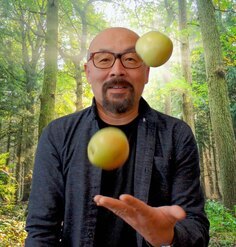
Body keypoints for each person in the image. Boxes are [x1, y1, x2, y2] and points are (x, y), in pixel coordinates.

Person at [25, 27, 209, 247]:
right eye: (103, 59)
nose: (117, 70)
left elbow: (195, 227)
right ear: (87, 72)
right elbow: (41, 232)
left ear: (147, 72)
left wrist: (168, 236)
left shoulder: (177, 135)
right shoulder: (58, 135)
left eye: (131, 59)